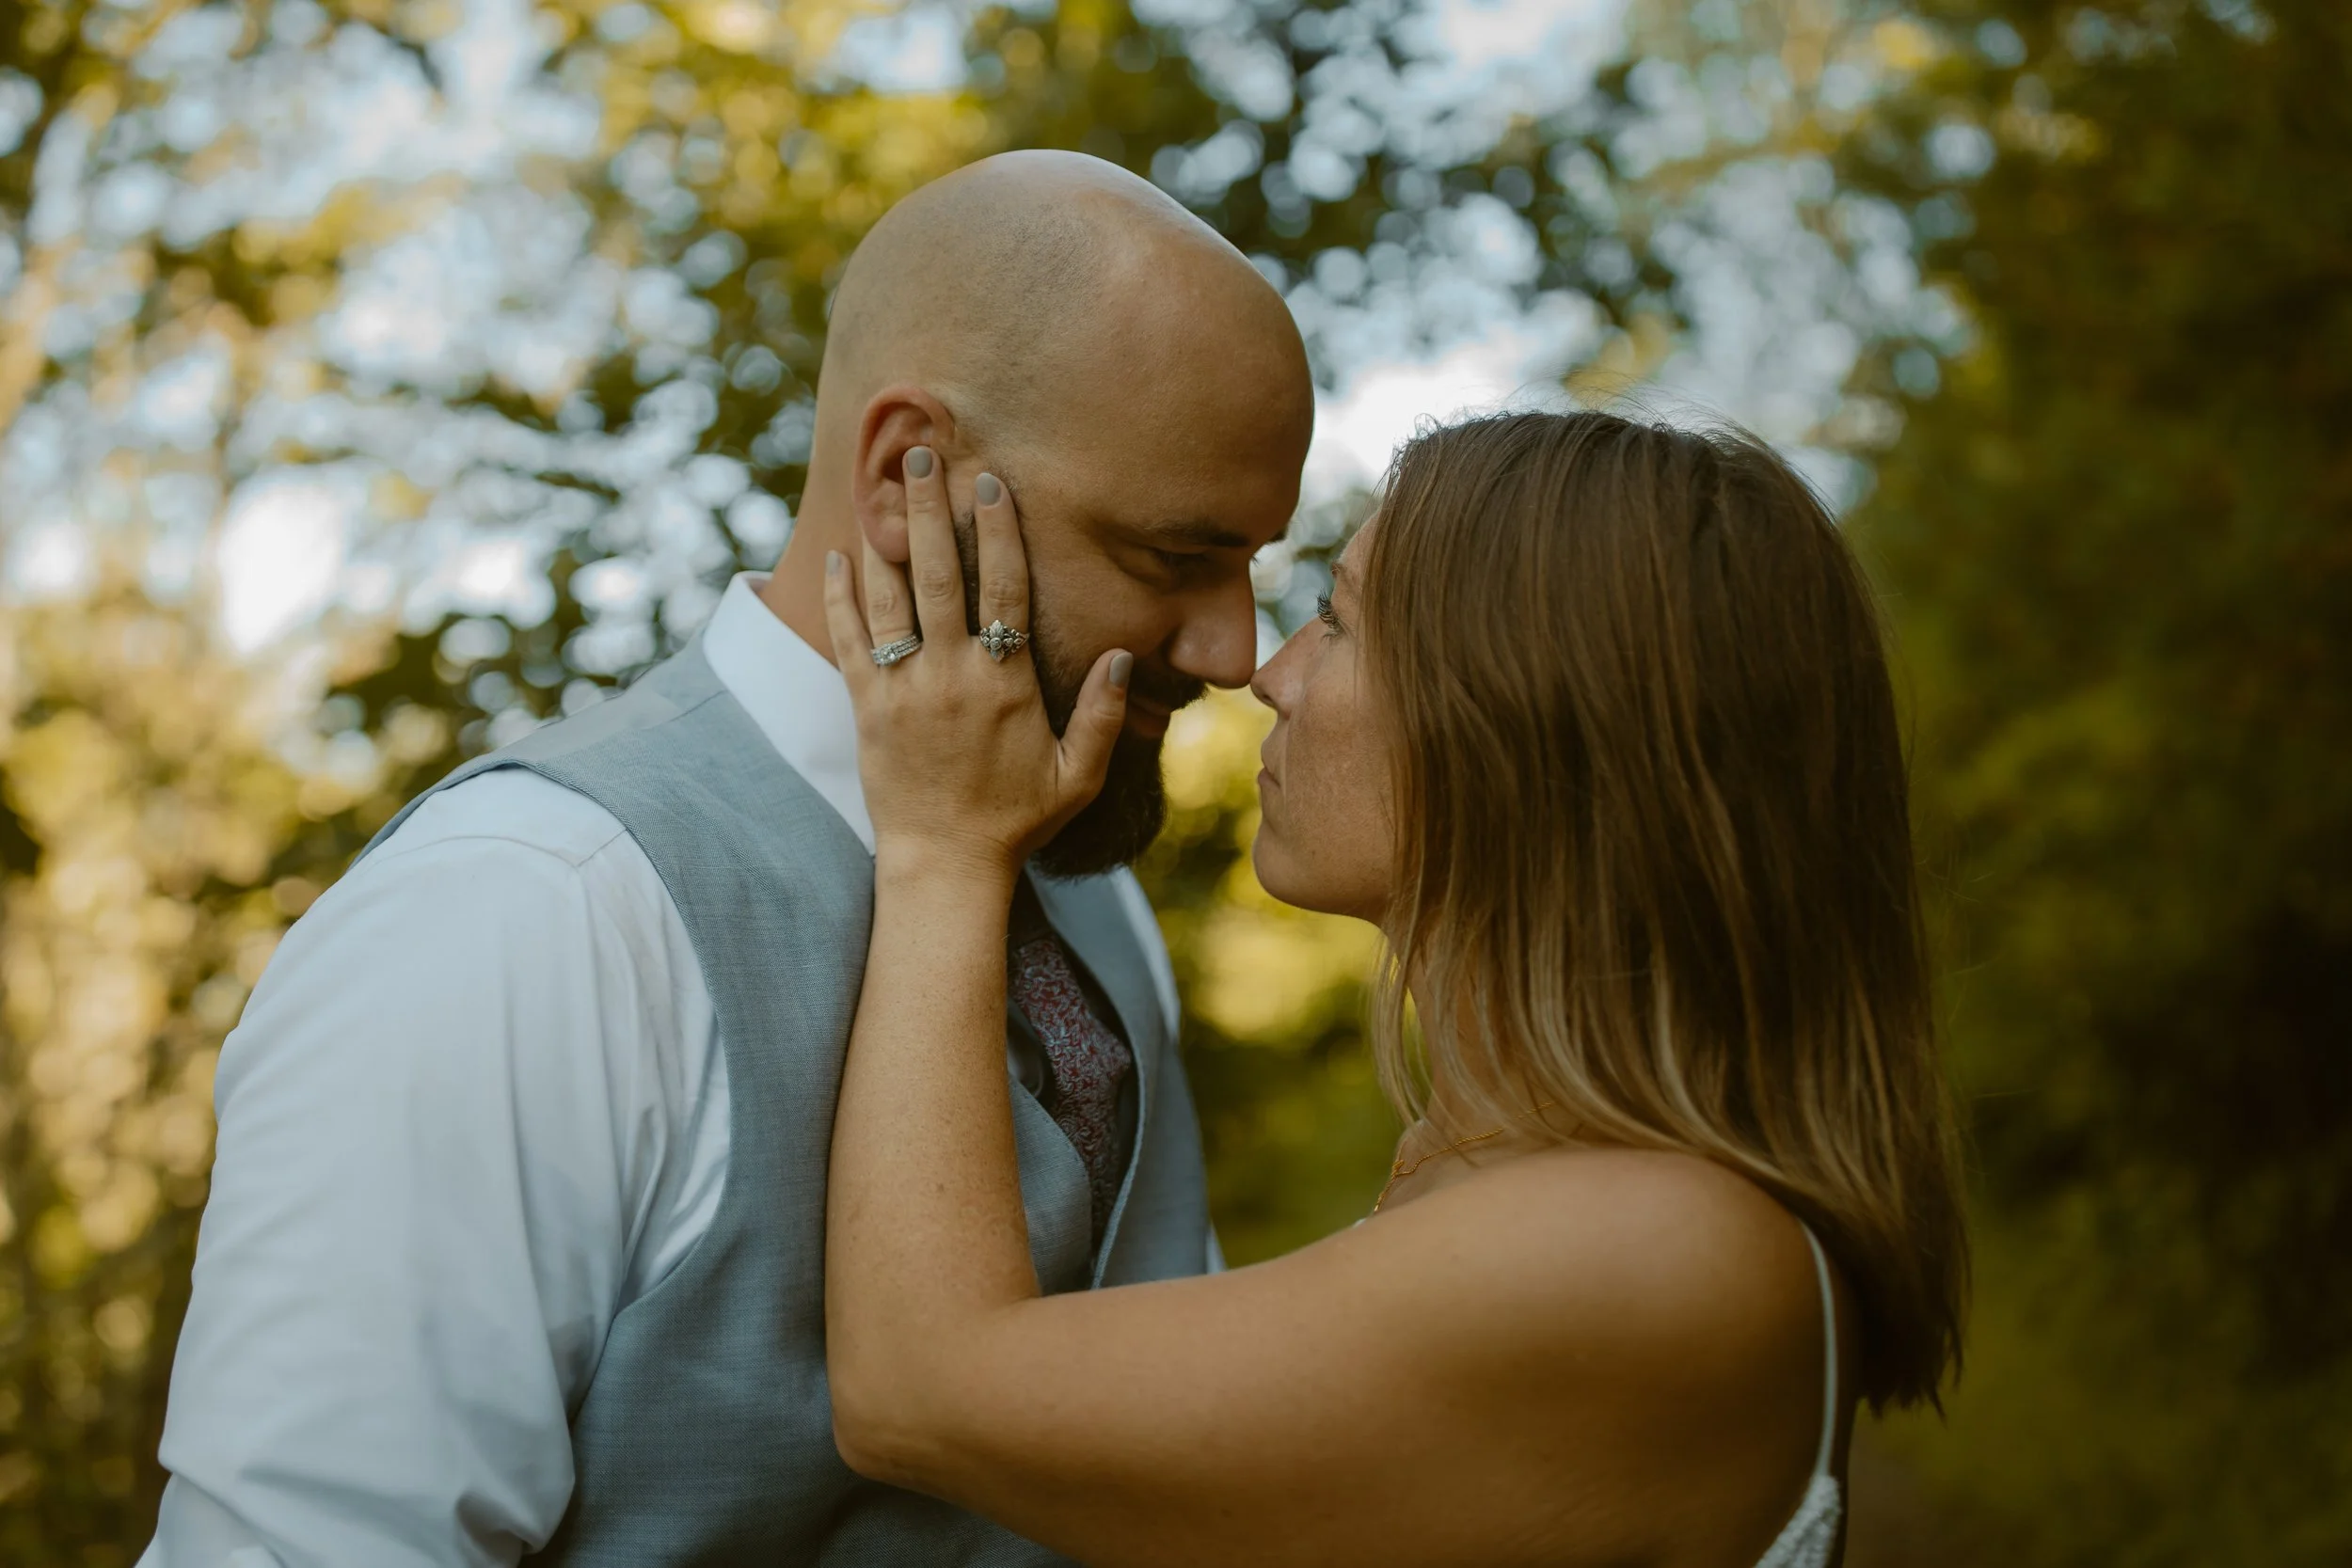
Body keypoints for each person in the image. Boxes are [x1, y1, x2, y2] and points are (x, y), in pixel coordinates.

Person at [140, 151, 1312, 1565]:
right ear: (907, 477)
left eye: (1251, 560)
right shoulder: (530, 911)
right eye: (1172, 552)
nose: (1236, 649)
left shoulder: (1093, 901)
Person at [817, 408, 1971, 1567]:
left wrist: (944, 846)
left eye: (1339, 619)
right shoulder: (1529, 1169)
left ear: (1525, 713)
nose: (1268, 672)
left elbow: (917, 1385)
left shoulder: (1646, 1241)